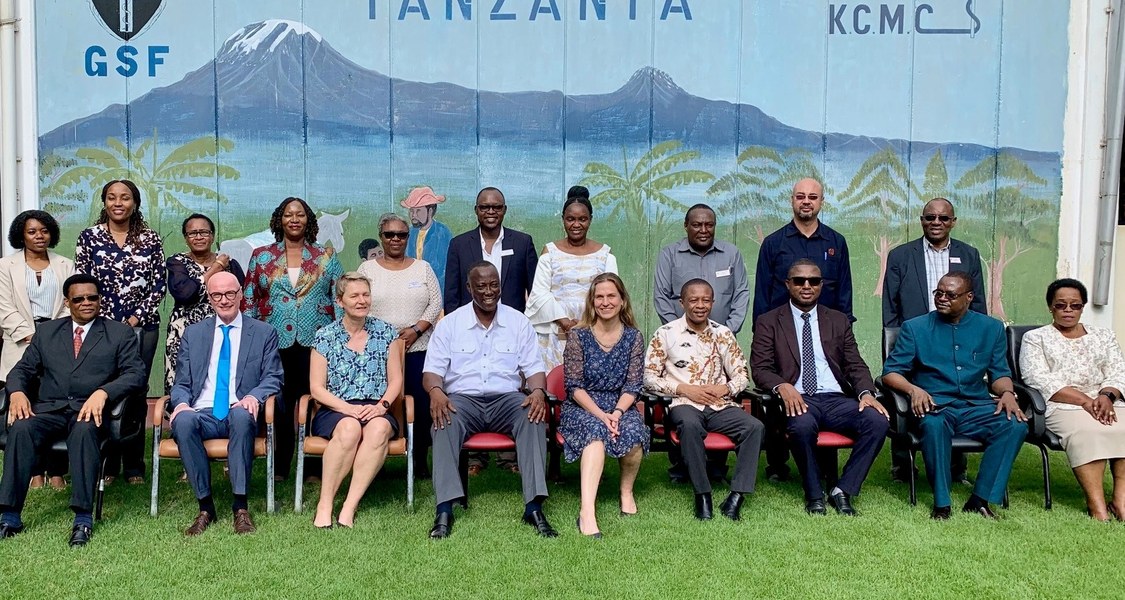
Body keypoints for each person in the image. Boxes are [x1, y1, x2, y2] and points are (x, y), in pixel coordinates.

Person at [0, 274, 145, 546]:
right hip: (50, 409)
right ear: (67, 302)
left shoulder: (118, 332)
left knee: (83, 432)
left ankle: (82, 518)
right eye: (79, 299)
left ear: (100, 300)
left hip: (90, 411)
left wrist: (103, 392)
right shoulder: (47, 332)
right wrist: (17, 391)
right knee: (20, 428)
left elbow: (135, 373)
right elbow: (22, 370)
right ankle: (9, 516)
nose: (87, 303)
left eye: (93, 297)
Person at [423, 262, 555, 539]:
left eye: (493, 284)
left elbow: (534, 369)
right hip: (463, 400)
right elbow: (432, 372)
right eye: (480, 286)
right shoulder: (450, 324)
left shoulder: (518, 321)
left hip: (506, 400)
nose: (488, 291)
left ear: (500, 286)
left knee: (533, 418)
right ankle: (444, 509)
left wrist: (538, 392)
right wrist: (436, 391)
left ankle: (533, 507)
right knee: (442, 421)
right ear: (469, 288)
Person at [882, 272, 1027, 520]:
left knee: (1014, 425)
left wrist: (1008, 393)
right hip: (936, 406)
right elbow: (890, 373)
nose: (942, 298)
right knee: (933, 424)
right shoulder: (915, 328)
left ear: (969, 297)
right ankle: (942, 502)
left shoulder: (991, 328)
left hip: (976, 405)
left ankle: (980, 499)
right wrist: (914, 390)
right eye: (938, 293)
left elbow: (1000, 373)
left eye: (951, 294)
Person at [750, 260, 889, 515]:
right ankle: (814, 493)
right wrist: (782, 385)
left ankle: (843, 489)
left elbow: (854, 364)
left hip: (836, 398)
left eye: (813, 281)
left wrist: (866, 393)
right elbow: (760, 368)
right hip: (799, 398)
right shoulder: (769, 321)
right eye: (799, 281)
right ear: (787, 284)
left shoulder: (837, 319)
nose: (806, 286)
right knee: (801, 426)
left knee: (877, 421)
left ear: (821, 285)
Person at [168, 272, 282, 536]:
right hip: (202, 411)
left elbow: (273, 377)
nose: (224, 300)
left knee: (242, 416)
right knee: (183, 420)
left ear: (240, 294)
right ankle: (205, 507)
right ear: (210, 298)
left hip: (239, 408)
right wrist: (182, 404)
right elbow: (182, 382)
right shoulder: (194, 334)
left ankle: (240, 507)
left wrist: (253, 396)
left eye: (230, 293)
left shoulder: (263, 332)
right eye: (217, 295)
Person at [753, 177, 853, 481]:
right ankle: (777, 464)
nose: (806, 201)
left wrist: (844, 330)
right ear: (792, 201)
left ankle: (824, 466)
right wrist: (763, 335)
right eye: (800, 196)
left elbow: (844, 293)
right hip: (781, 334)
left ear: (821, 202)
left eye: (812, 197)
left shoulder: (836, 243)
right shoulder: (774, 243)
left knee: (823, 391)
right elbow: (762, 294)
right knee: (780, 395)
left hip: (825, 333)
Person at [643, 279, 764, 521]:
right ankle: (703, 494)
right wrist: (684, 389)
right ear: (682, 302)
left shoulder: (723, 334)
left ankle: (736, 496)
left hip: (720, 404)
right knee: (689, 425)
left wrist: (725, 388)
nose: (700, 305)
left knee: (754, 427)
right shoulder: (666, 334)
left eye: (706, 300)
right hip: (683, 403)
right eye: (694, 300)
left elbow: (741, 373)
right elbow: (648, 376)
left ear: (713, 302)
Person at [883, 198, 985, 484]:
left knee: (957, 396)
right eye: (930, 217)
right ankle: (903, 467)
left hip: (957, 342)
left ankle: (956, 470)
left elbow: (977, 305)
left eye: (943, 218)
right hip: (915, 340)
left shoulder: (969, 254)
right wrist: (894, 341)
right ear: (921, 220)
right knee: (906, 397)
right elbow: (890, 307)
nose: (936, 223)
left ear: (953, 221)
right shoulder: (901, 255)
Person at [243, 197, 343, 481]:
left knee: (317, 402)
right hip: (274, 341)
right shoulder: (262, 256)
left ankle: (314, 467)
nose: (294, 219)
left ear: (309, 221)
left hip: (317, 341)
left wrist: (338, 338)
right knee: (280, 403)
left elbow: (338, 297)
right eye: (288, 215)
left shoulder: (325, 255)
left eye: (300, 215)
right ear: (280, 220)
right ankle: (280, 467)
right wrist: (251, 337)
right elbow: (250, 297)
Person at [74, 179, 166, 486]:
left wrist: (135, 318)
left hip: (143, 328)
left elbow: (159, 283)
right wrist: (107, 320)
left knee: (136, 392)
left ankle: (135, 464)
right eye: (111, 198)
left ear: (135, 203)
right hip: (102, 329)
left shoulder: (150, 239)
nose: (118, 203)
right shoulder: (90, 237)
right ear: (104, 202)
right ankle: (108, 463)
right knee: (104, 388)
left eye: (124, 198)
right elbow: (82, 283)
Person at [653, 203, 748, 483]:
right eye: (697, 225)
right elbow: (662, 296)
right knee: (686, 405)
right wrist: (680, 332)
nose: (703, 230)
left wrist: (723, 333)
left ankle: (717, 468)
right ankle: (682, 467)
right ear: (686, 226)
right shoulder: (670, 254)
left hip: (720, 344)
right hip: (679, 345)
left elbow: (741, 293)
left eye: (709, 225)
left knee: (719, 399)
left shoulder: (731, 254)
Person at [444, 187, 536, 474]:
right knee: (472, 389)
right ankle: (474, 458)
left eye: (496, 207)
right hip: (471, 328)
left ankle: (509, 456)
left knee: (509, 392)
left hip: (510, 332)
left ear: (505, 210)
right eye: (485, 207)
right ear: (476, 210)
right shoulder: (460, 244)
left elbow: (533, 290)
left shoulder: (522, 242)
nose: (491, 212)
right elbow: (452, 292)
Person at [1019, 278, 1125, 521]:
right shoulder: (1036, 338)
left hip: (1107, 401)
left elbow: (1118, 371)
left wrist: (1106, 396)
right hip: (1061, 404)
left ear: (1083, 306)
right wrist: (1086, 402)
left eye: (1074, 305)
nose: (1068, 311)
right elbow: (1037, 378)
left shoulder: (1104, 336)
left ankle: (1121, 500)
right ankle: (1097, 506)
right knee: (1089, 432)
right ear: (1050, 307)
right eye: (1061, 305)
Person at [309, 273, 404, 528]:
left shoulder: (387, 332)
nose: (362, 301)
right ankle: (325, 504)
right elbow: (316, 389)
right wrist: (348, 409)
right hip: (335, 408)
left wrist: (382, 406)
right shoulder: (324, 336)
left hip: (376, 406)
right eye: (354, 296)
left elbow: (396, 380)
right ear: (340, 301)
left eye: (366, 294)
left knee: (380, 428)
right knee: (349, 428)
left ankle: (349, 506)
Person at [560, 273, 648, 538]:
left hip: (620, 405)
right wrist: (602, 416)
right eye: (600, 296)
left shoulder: (634, 337)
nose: (605, 302)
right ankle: (587, 512)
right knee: (595, 436)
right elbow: (573, 385)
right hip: (583, 406)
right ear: (592, 301)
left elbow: (633, 385)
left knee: (634, 435)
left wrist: (617, 413)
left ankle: (626, 491)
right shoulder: (578, 335)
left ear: (622, 301)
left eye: (612, 296)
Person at [358, 214, 441, 478]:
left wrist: (416, 331)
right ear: (381, 237)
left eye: (401, 235)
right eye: (389, 235)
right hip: (377, 351)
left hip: (419, 348)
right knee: (381, 404)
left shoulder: (423, 267)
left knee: (420, 404)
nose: (395, 239)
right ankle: (377, 458)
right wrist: (386, 338)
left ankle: (418, 461)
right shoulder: (367, 271)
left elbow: (435, 303)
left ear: (408, 237)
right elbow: (359, 303)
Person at [0, 210, 74, 490]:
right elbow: (4, 307)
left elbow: (71, 303)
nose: (38, 236)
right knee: (25, 410)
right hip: (21, 343)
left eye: (43, 231)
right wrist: (32, 337)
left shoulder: (65, 264)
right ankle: (34, 472)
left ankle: (56, 472)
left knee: (54, 405)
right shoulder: (5, 266)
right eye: (32, 231)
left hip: (58, 342)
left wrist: (51, 338)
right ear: (21, 234)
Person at [526, 186, 618, 370]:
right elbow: (540, 293)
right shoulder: (550, 252)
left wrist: (584, 323)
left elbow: (611, 294)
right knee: (553, 386)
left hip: (594, 330)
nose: (576, 224)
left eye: (582, 219)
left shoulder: (605, 255)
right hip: (554, 332)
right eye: (571, 219)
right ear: (563, 220)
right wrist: (565, 322)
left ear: (590, 220)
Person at [164, 214, 245, 395]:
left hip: (223, 331)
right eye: (192, 233)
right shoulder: (177, 262)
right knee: (184, 380)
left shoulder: (231, 265)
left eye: (203, 232)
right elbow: (186, 293)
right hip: (184, 332)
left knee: (219, 378)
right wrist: (216, 267)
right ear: (185, 238)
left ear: (213, 236)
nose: (198, 237)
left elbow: (240, 297)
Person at [402, 186, 453, 293]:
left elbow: (442, 269)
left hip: (437, 292)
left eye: (418, 211)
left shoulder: (442, 233)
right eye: (411, 211)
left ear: (430, 211)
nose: (413, 215)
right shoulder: (409, 233)